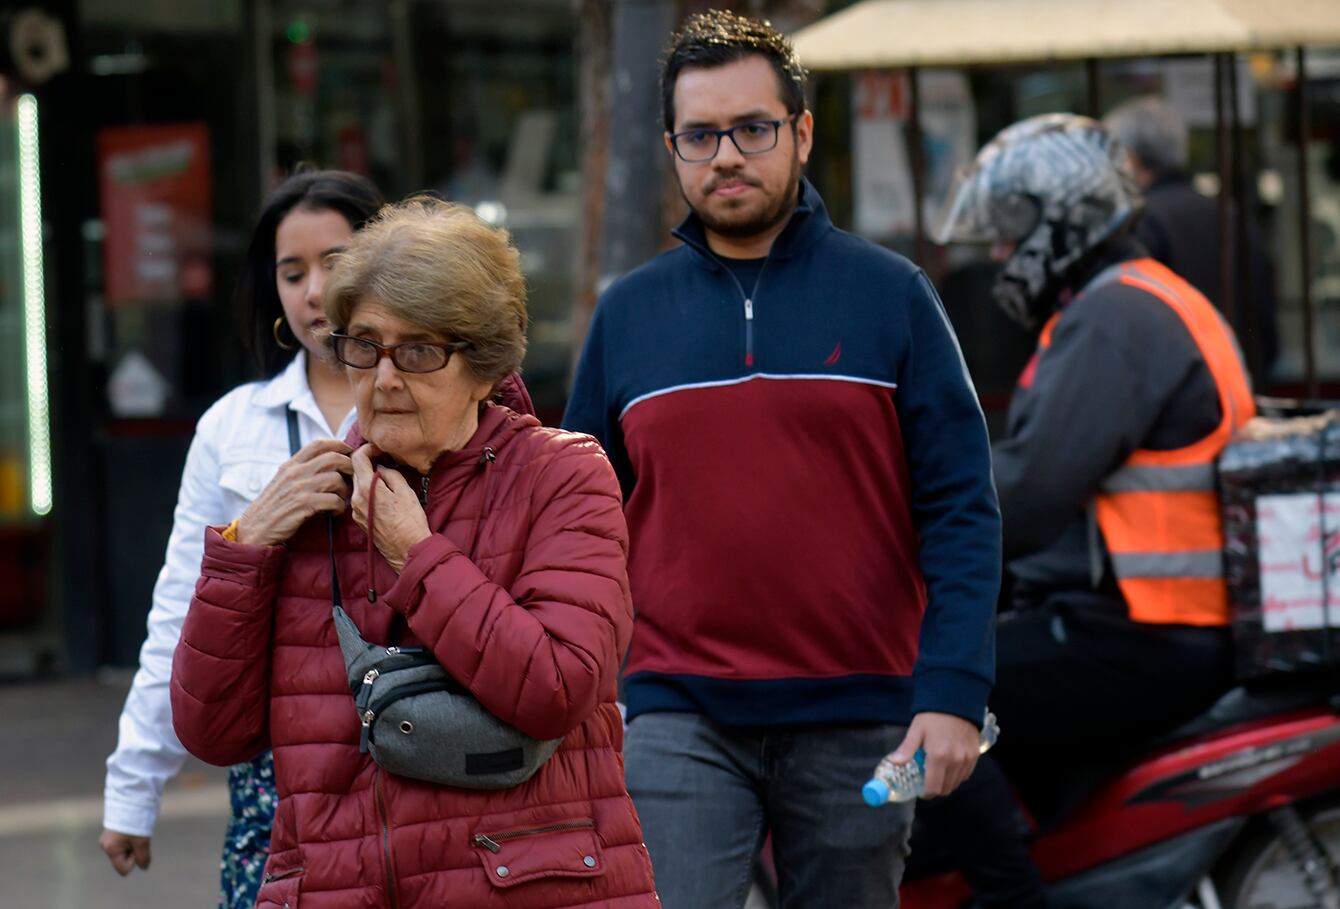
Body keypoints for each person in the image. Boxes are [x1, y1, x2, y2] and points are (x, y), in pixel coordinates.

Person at [562, 10, 1000, 908]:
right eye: (700, 135)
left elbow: (961, 505)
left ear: (800, 132)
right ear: (674, 148)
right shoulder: (628, 315)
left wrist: (953, 689)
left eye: (753, 128)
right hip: (678, 712)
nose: (726, 155)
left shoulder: (893, 296)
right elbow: (575, 521)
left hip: (863, 713)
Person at [169, 197, 659, 908]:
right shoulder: (313, 499)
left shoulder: (562, 474)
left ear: (484, 365)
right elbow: (212, 731)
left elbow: (558, 686)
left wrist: (416, 554)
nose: (385, 377)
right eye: (364, 345)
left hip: (526, 886)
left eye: (420, 351)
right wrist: (247, 547)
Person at [920, 113, 1256, 907]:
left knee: (929, 689)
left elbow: (1028, 495)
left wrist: (904, 511)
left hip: (1146, 631)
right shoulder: (1146, 301)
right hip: (1162, 623)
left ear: (1061, 222)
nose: (1001, 255)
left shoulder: (1115, 319)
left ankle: (1012, 895)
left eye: (1011, 235)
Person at [100, 169, 384, 908]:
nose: (315, 290)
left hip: (419, 741)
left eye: (336, 261)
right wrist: (135, 785)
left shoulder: (432, 403)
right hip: (277, 766)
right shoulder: (233, 426)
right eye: (293, 272)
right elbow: (181, 613)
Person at [1103, 95, 1279, 375]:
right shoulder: (1228, 213)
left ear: (1130, 159)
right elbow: (1264, 304)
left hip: (1182, 388)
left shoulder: (1140, 222)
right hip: (1240, 379)